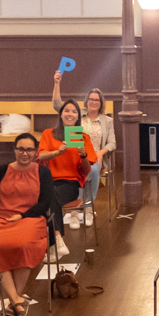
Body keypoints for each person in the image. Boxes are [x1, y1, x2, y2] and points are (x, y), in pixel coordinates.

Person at [0, 134, 55, 316]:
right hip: (1, 218)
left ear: (35, 152)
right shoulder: (3, 170)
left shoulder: (43, 173)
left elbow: (45, 203)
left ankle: (14, 298)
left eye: (29, 150)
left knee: (24, 244)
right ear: (15, 149)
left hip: (30, 219)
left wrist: (23, 216)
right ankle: (16, 301)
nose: (24, 153)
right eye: (21, 149)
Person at [47, 77, 116, 226]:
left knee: (92, 170)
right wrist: (57, 83)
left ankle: (88, 208)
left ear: (101, 103)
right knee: (74, 172)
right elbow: (57, 105)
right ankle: (73, 211)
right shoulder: (78, 114)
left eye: (97, 100)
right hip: (73, 155)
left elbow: (112, 143)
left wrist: (100, 153)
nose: (94, 102)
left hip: (95, 155)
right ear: (86, 101)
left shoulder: (107, 121)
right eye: (91, 99)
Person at [36, 99, 98, 259]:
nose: (70, 114)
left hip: (71, 183)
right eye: (67, 111)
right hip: (49, 181)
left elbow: (86, 170)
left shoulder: (82, 137)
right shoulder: (48, 134)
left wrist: (83, 155)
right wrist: (57, 152)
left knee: (47, 198)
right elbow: (40, 155)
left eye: (74, 111)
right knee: (48, 195)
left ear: (78, 116)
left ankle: (55, 242)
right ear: (61, 114)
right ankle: (57, 242)